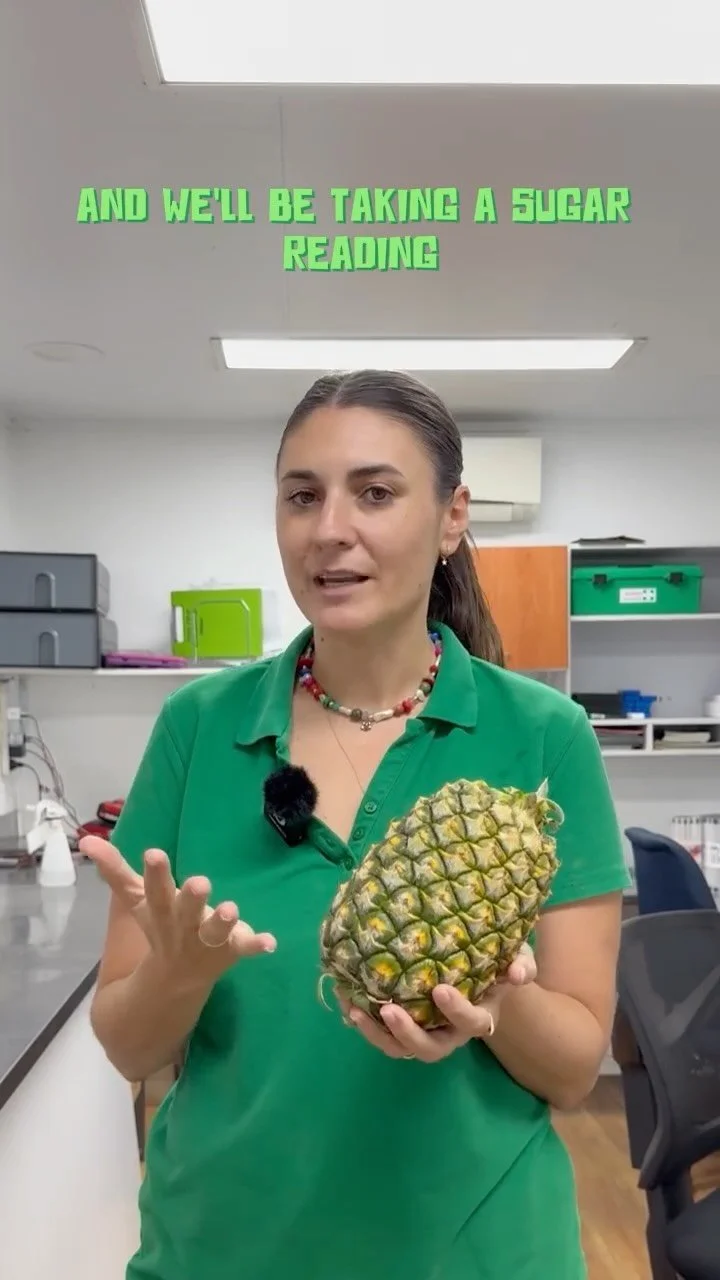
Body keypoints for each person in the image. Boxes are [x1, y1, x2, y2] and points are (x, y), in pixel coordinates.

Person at [82, 369, 630, 1280]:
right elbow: (129, 1047)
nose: (330, 528)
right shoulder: (198, 727)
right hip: (224, 1250)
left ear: (453, 517)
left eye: (375, 493)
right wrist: (176, 976)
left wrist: (496, 1006)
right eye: (303, 496)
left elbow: (576, 1071)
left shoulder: (544, 735)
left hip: (477, 1257)